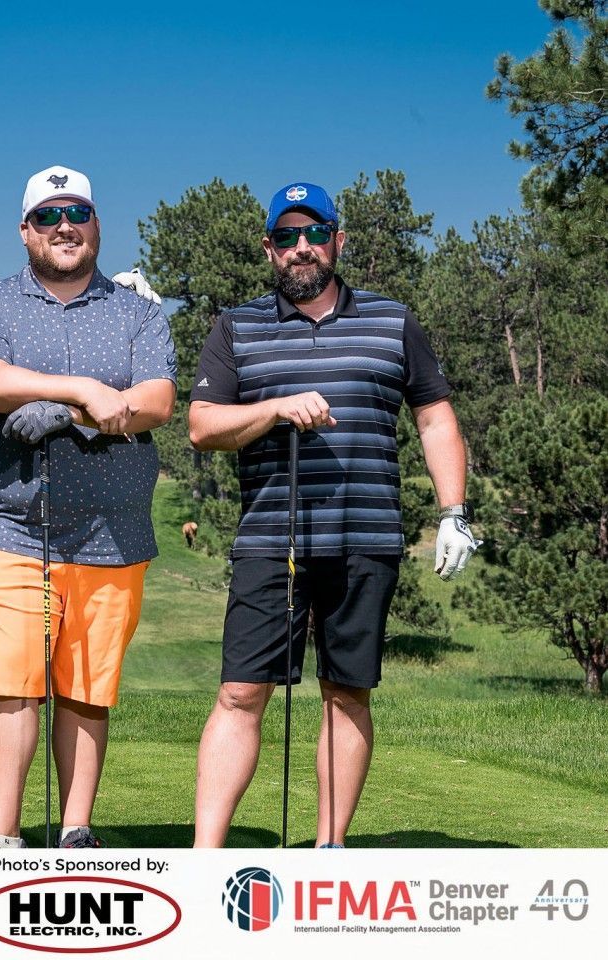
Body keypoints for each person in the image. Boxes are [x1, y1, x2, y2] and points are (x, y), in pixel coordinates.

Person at [188, 181, 479, 848]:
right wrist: (274, 409)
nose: (302, 247)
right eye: (286, 236)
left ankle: (329, 846)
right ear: (268, 248)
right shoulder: (235, 326)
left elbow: (434, 420)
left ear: (337, 241)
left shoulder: (391, 320)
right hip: (270, 540)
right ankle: (205, 857)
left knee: (346, 692)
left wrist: (453, 512)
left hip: (365, 537)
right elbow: (202, 426)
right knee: (240, 692)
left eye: (314, 233)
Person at [0, 165, 176, 886]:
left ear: (96, 226)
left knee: (86, 687)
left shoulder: (137, 312)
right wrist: (85, 390)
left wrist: (64, 413)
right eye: (49, 216)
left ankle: (75, 833)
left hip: (113, 529)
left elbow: (155, 400)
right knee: (9, 681)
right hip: (13, 524)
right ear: (25, 231)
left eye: (78, 214)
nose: (65, 227)